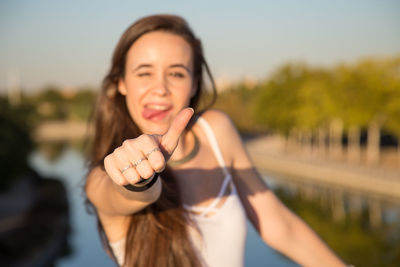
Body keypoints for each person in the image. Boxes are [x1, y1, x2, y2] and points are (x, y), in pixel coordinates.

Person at [85, 14, 349, 267]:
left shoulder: (215, 130)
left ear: (194, 84)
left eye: (177, 73)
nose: (161, 88)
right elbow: (127, 195)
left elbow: (279, 225)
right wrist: (140, 177)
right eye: (144, 73)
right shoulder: (101, 178)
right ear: (121, 84)